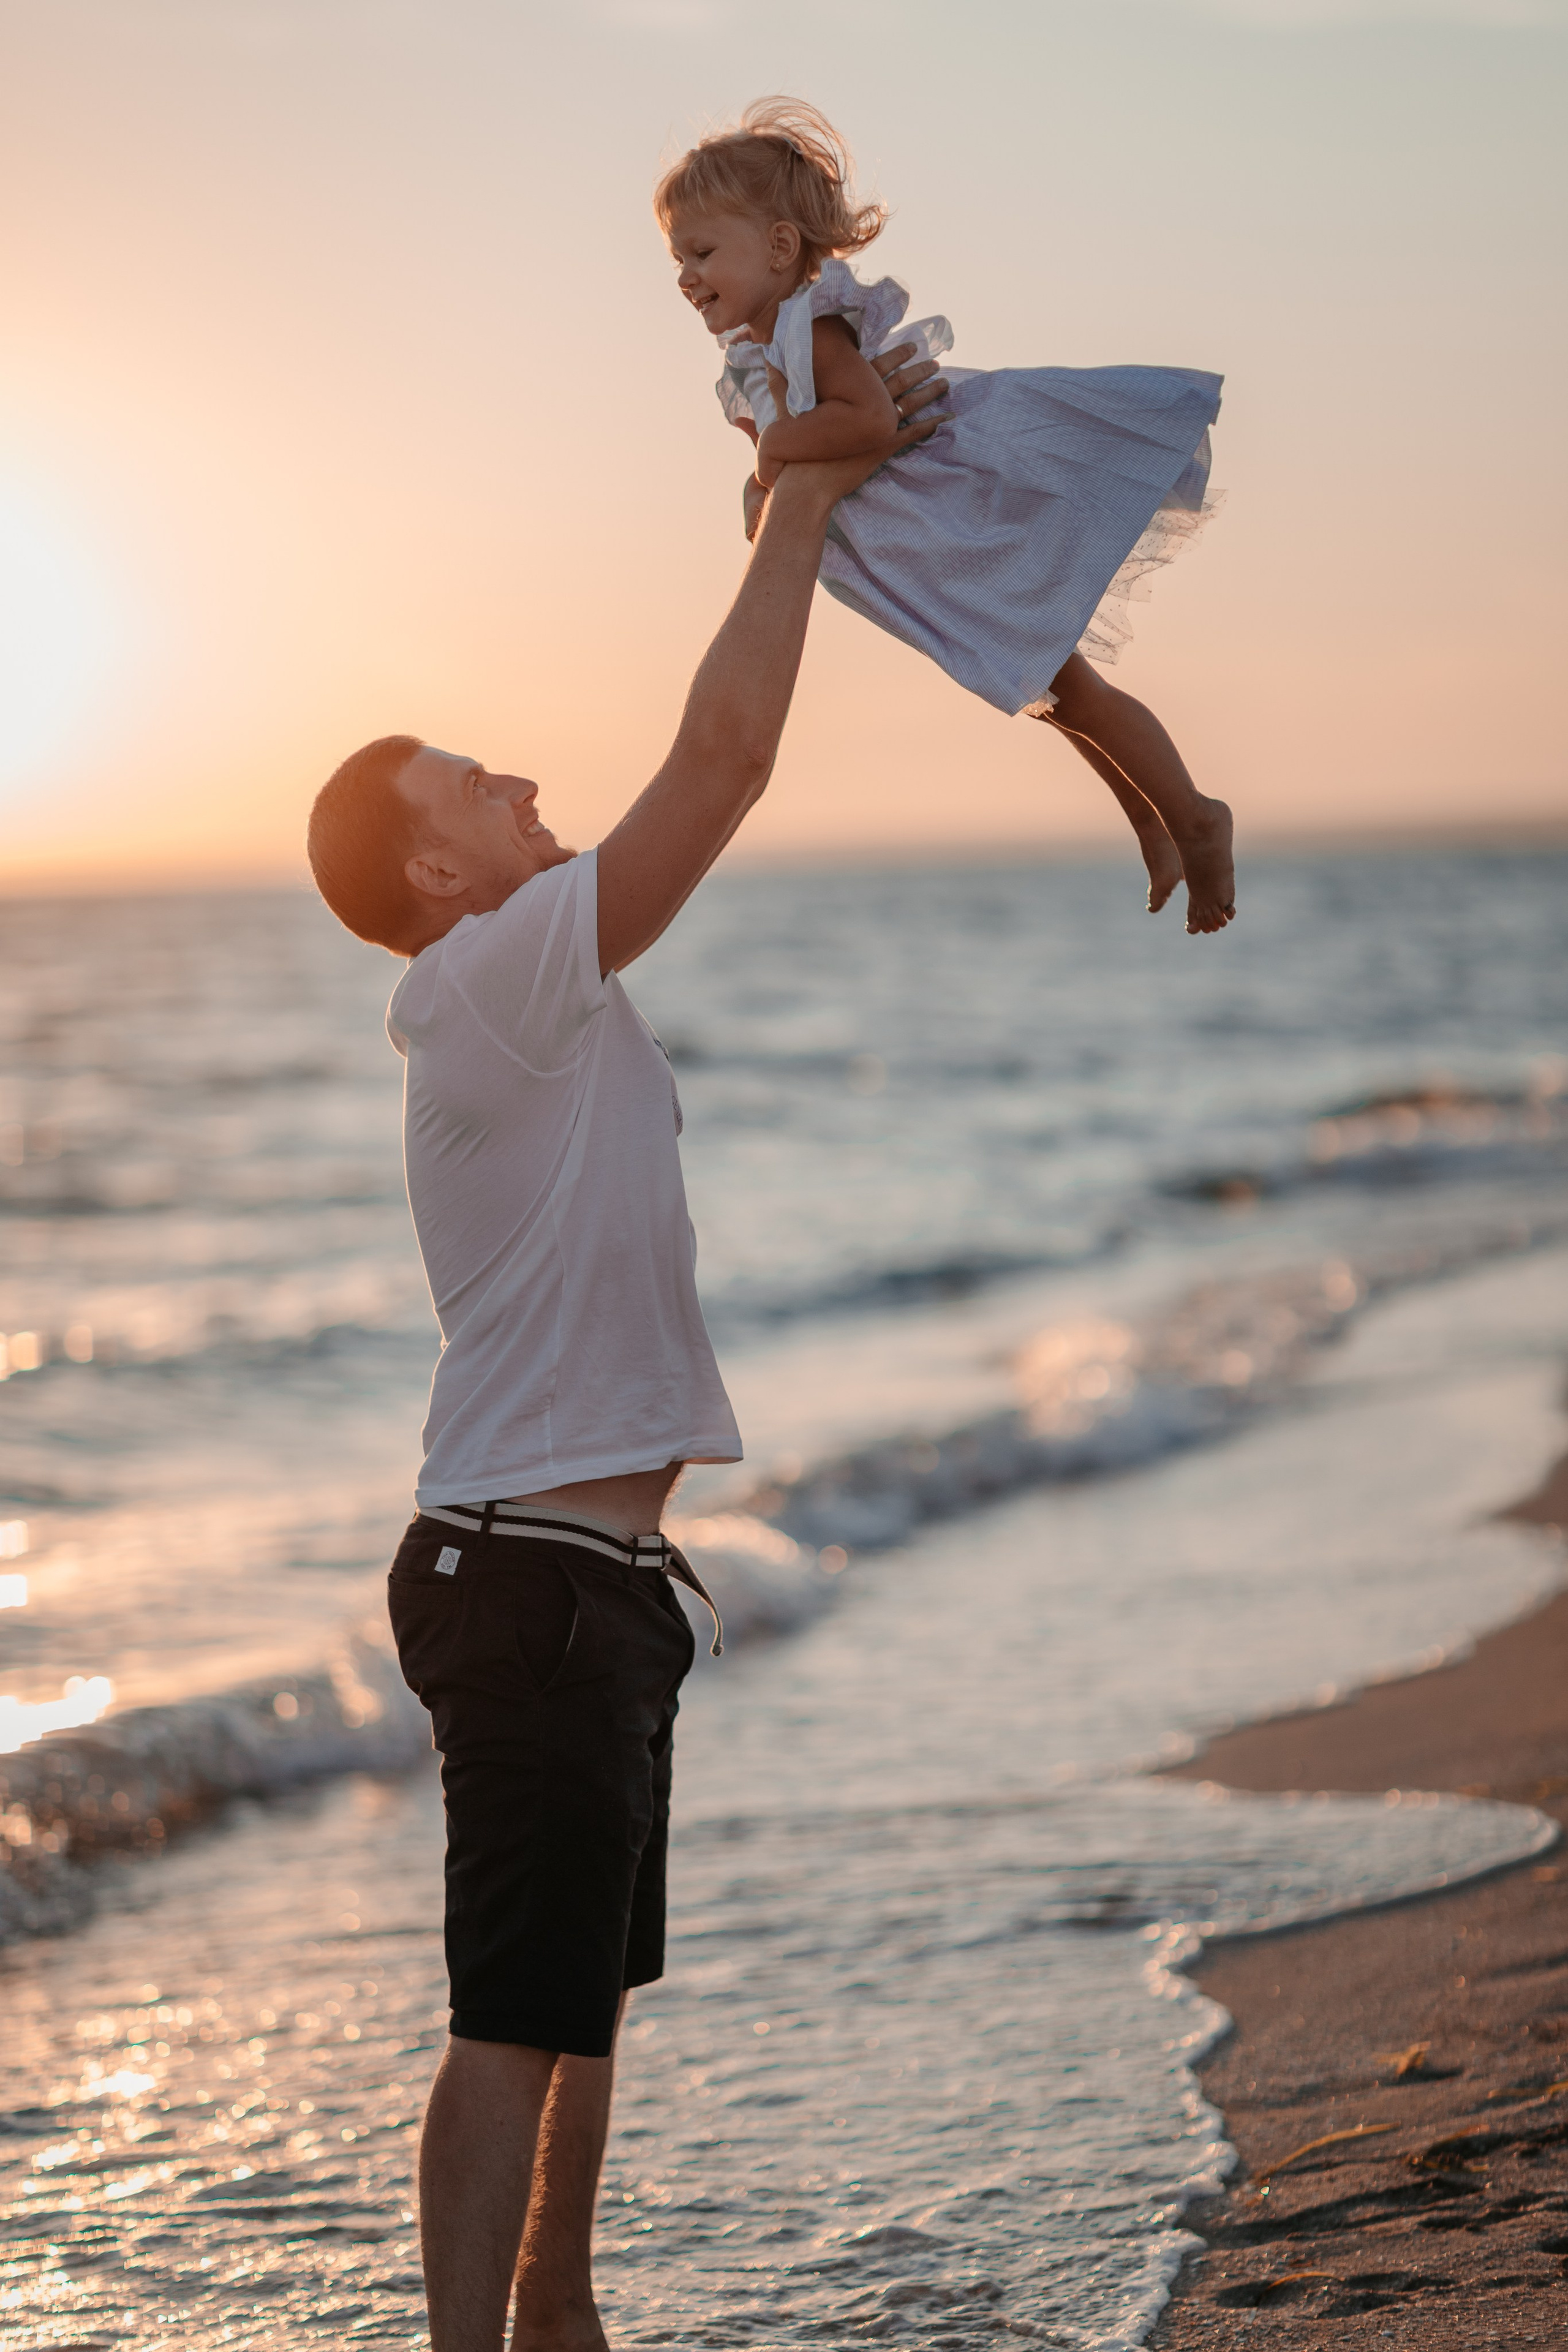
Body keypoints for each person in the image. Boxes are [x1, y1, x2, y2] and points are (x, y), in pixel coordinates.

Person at [303, 347, 947, 2352]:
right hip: (526, 1586)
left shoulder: (542, 998)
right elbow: (727, 763)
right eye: (472, 787)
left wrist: (801, 491)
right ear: (434, 876)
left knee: (578, 1998)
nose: (519, 785)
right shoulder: (492, 977)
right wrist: (806, 502)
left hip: (592, 1588)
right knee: (513, 2012)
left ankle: (562, 2320)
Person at [657, 96, 1237, 935]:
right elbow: (793, 462)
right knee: (1051, 685)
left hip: (950, 517)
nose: (684, 274)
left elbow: (868, 423)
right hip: (917, 544)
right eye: (677, 257)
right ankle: (1151, 816)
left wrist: (771, 460)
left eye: (702, 251)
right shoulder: (759, 349)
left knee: (1063, 683)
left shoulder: (811, 330)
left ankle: (1193, 814)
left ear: (780, 247)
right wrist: (767, 484)